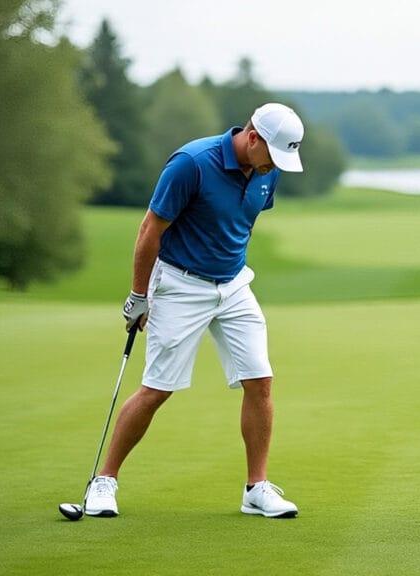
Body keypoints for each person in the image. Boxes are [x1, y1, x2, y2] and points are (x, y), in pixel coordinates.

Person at [84, 103, 305, 519]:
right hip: (180, 284)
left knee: (260, 380)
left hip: (235, 284)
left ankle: (256, 489)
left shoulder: (265, 170)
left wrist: (227, 266)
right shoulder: (192, 164)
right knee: (157, 389)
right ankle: (104, 481)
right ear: (253, 137)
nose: (275, 166)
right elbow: (151, 229)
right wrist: (139, 295)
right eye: (273, 155)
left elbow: (242, 222)